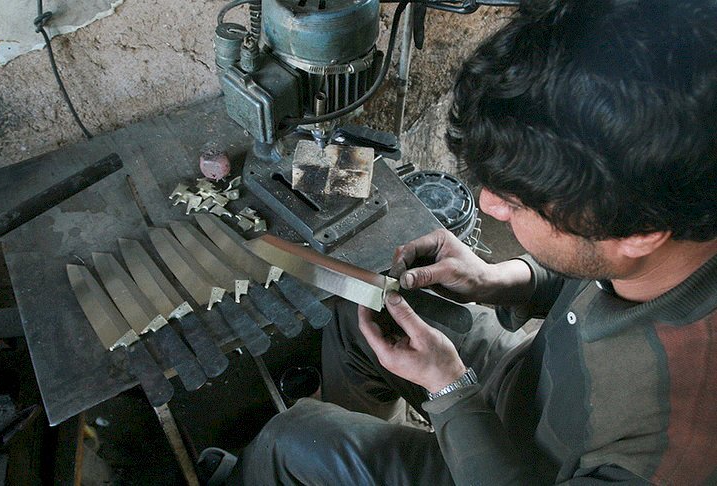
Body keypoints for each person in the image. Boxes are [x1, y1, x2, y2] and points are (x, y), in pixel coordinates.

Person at [203, 0, 717, 483]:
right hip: (526, 384)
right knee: (361, 317)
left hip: (516, 466)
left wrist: (449, 391)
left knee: (292, 440)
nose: (489, 207)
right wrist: (502, 280)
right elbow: (595, 265)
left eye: (517, 204)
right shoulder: (669, 204)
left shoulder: (673, 448)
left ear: (639, 233)